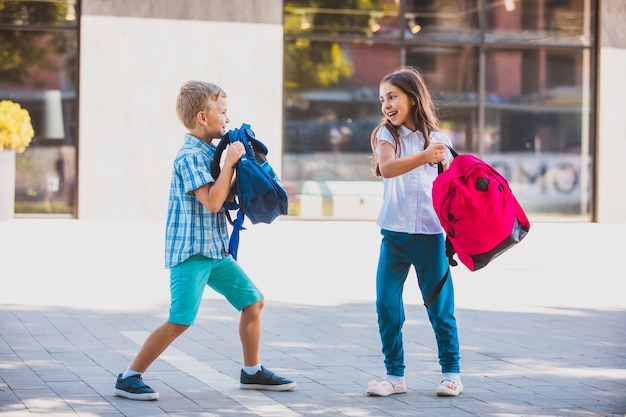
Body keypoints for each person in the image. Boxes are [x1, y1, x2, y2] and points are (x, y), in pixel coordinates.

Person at [113, 80, 296, 401]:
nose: (227, 119)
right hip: (192, 252)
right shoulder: (189, 157)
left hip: (214, 250)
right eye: (222, 112)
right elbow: (212, 201)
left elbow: (227, 194)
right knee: (181, 318)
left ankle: (252, 371)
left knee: (253, 302)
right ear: (202, 117)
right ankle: (130, 376)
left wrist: (252, 166)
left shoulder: (210, 152)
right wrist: (229, 164)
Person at [366, 66, 462, 398]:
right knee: (386, 304)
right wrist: (423, 157)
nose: (386, 105)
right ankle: (395, 376)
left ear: (412, 97)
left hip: (430, 238)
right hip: (393, 236)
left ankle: (451, 373)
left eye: (392, 97)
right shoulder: (386, 136)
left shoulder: (440, 141)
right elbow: (388, 168)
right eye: (382, 99)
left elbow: (453, 190)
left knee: (439, 307)